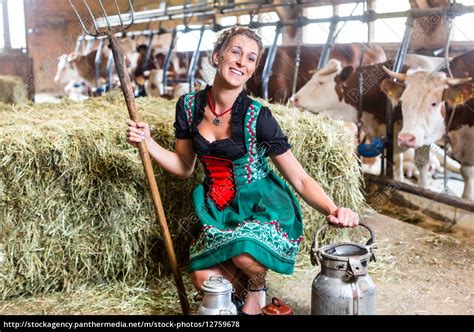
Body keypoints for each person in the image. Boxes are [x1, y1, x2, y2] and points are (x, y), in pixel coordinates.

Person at [126, 26, 359, 315]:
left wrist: (333, 209)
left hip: (262, 204)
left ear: (252, 70)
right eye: (235, 52)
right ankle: (239, 287)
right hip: (218, 207)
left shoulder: (259, 117)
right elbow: (184, 167)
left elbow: (299, 177)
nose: (241, 62)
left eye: (250, 58)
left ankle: (257, 285)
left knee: (247, 255)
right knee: (205, 282)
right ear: (216, 56)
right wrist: (147, 142)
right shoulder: (188, 106)